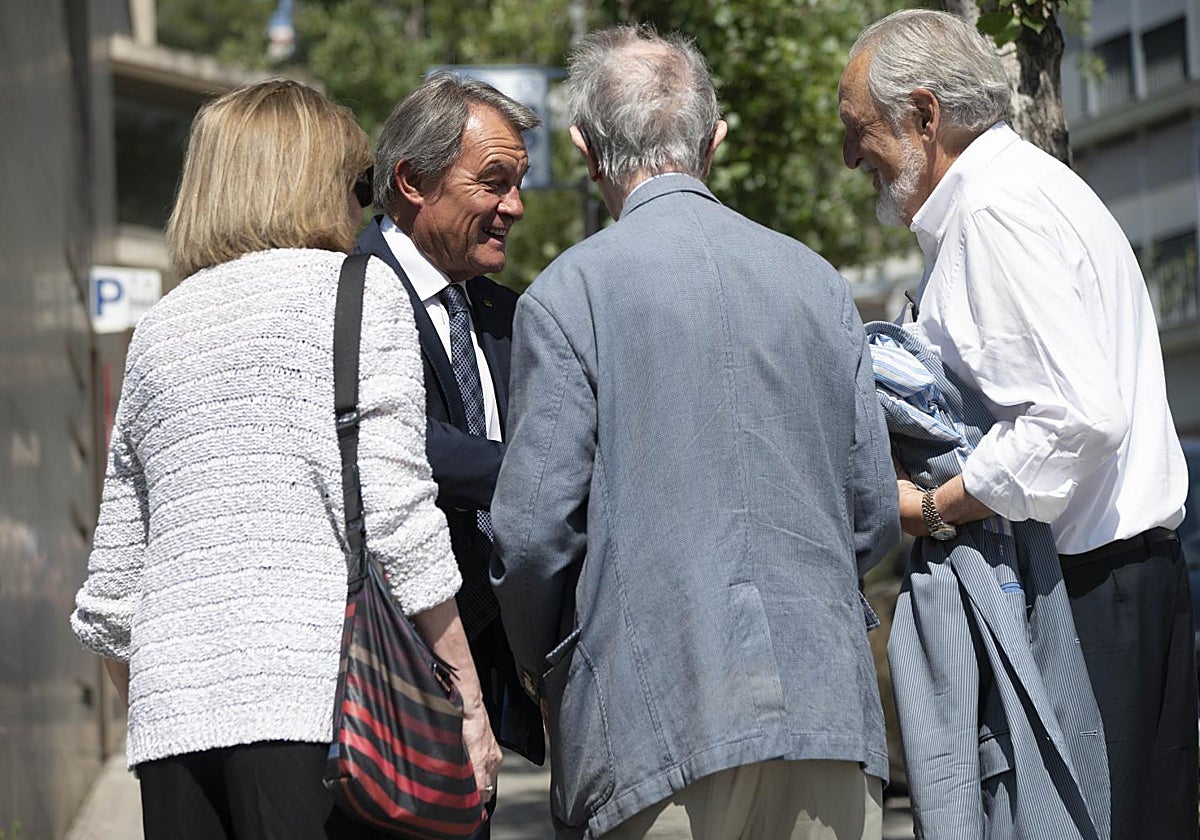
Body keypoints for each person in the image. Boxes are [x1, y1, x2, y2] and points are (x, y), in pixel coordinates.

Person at [491, 25, 899, 840]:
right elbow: (874, 511)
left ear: (583, 150)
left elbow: (532, 535)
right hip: (827, 714)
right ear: (714, 141)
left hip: (656, 727)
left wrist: (545, 666)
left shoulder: (567, 297)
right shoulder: (817, 283)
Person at [69, 79, 501, 840]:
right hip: (319, 714)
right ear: (322, 182)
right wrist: (466, 696)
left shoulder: (158, 330)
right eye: (359, 183)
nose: (364, 203)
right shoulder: (360, 293)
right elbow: (399, 514)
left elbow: (110, 596)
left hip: (172, 730)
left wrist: (173, 697)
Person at [839, 10, 1198, 839]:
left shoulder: (992, 212)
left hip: (1088, 595)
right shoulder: (1023, 191)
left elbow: (1076, 418)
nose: (850, 156)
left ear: (925, 118)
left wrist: (929, 508)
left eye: (859, 131)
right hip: (1116, 587)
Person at [353, 71, 547, 830]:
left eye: (520, 183)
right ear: (412, 181)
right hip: (391, 665)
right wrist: (533, 476)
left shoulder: (505, 311)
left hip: (487, 671)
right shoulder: (350, 292)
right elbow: (396, 441)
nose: (516, 207)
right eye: (493, 182)